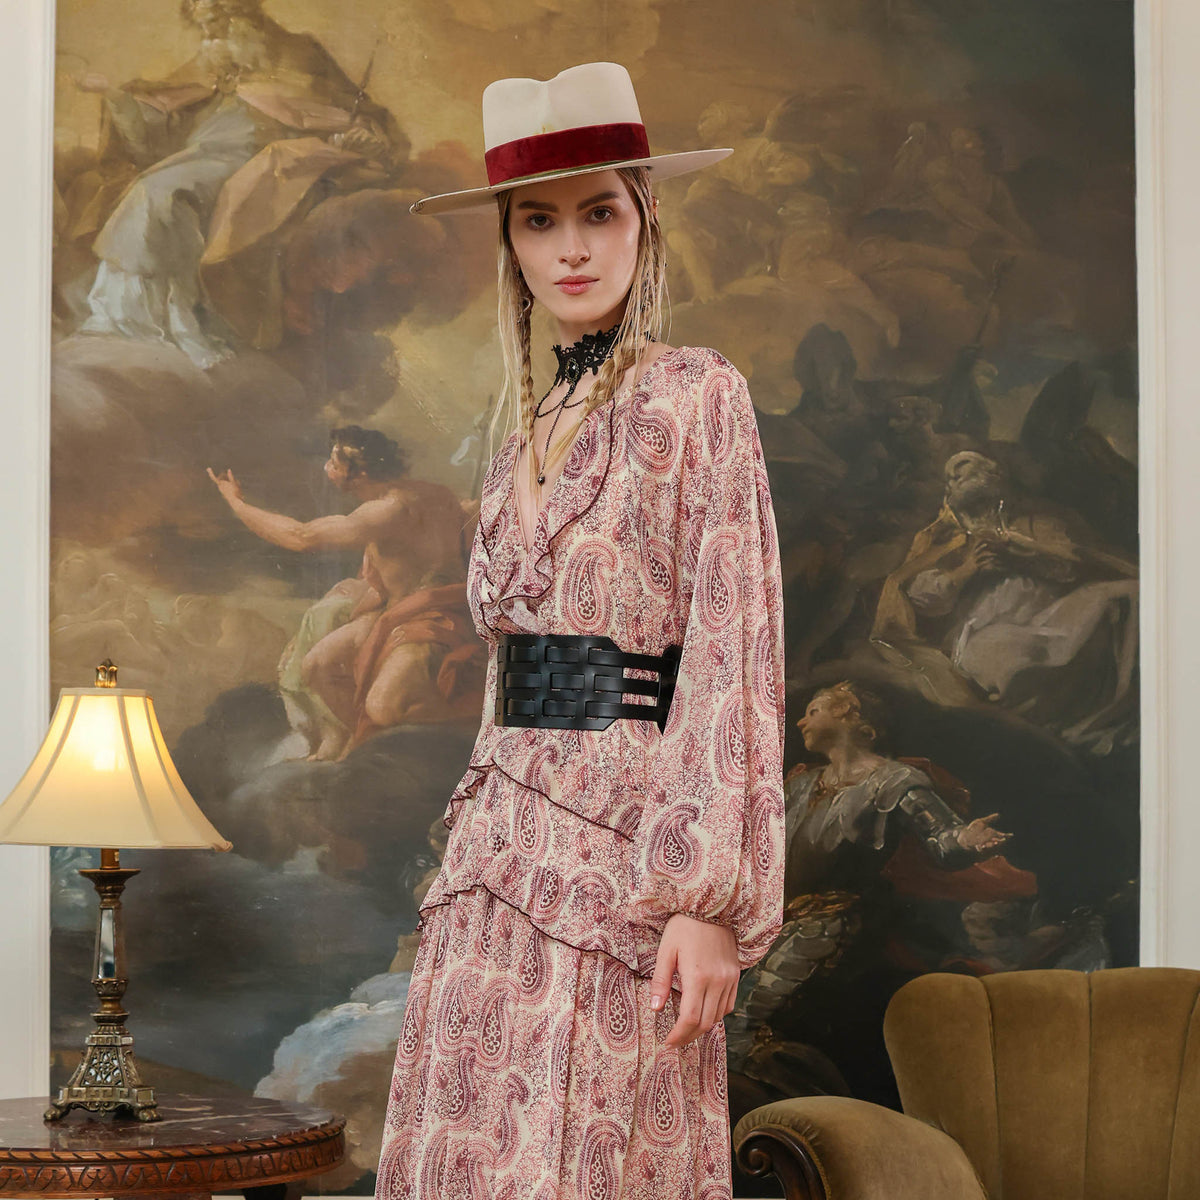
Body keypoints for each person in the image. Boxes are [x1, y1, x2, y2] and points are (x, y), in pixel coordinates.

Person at [374, 63, 786, 1199]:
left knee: (596, 1157)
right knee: (470, 1153)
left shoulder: (700, 396)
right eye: (538, 220)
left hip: (629, 861)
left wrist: (702, 903)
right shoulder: (516, 443)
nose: (572, 247)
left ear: (645, 218)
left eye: (598, 211)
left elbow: (733, 653)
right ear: (508, 244)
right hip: (490, 854)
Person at [207, 425, 483, 759]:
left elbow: (301, 536)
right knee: (318, 666)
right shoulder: (432, 492)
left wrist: (236, 504)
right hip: (395, 610)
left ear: (360, 473)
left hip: (430, 613)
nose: (327, 468)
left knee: (382, 706)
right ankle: (363, 742)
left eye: (334, 463)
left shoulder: (387, 510)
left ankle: (460, 728)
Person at [871, 449, 1138, 751]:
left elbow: (1074, 564)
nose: (952, 479)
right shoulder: (949, 535)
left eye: (961, 471)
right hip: (987, 625)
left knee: (1130, 591)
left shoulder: (1037, 520)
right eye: (949, 477)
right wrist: (967, 570)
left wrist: (1021, 555)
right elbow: (923, 598)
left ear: (993, 476)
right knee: (1009, 654)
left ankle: (1120, 707)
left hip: (1052, 611)